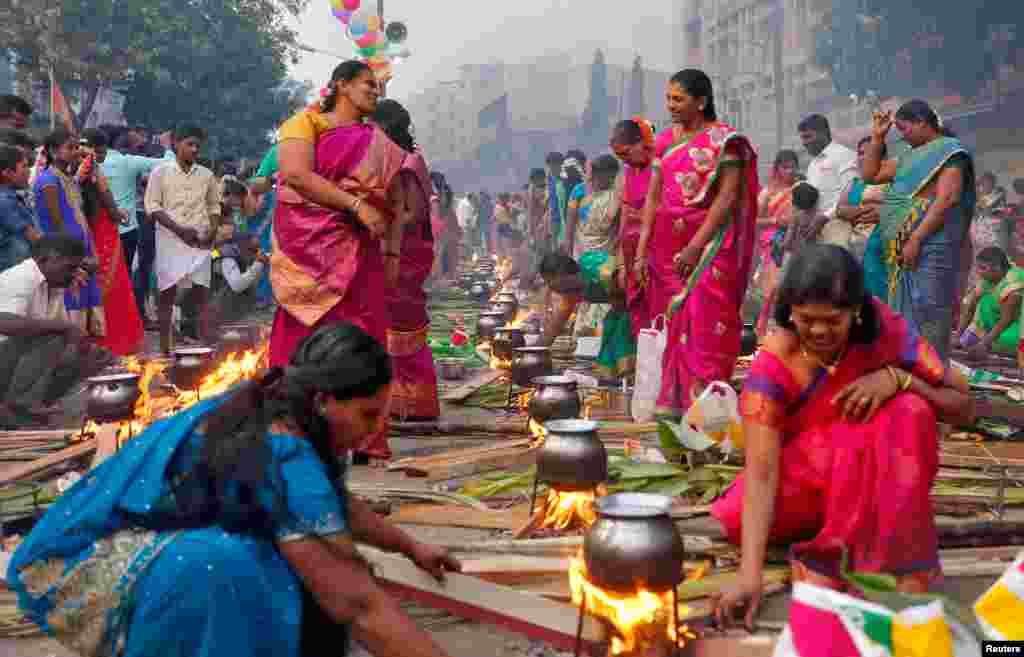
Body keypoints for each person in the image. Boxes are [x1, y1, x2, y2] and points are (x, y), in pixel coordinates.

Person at [8, 321, 461, 657]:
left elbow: (327, 504)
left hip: (122, 553)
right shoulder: (284, 449)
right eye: (367, 415)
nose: (375, 431)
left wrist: (409, 546)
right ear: (324, 401)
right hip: (91, 572)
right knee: (241, 566)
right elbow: (357, 604)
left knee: (271, 564)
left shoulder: (279, 407)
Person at [710, 246, 973, 629]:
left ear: (857, 311)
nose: (818, 332)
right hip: (807, 482)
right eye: (806, 320)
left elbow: (962, 405)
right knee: (737, 517)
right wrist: (749, 576)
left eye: (833, 320)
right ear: (790, 313)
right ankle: (848, 533)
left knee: (908, 411)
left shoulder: (887, 332)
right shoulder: (775, 362)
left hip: (871, 475)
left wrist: (899, 380)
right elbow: (762, 470)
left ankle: (881, 563)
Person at [271, 60, 416, 463]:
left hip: (363, 254)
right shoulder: (304, 124)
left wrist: (391, 254)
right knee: (304, 336)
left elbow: (397, 201)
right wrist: (355, 205)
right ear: (341, 86)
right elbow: (295, 176)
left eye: (377, 86)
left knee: (364, 339)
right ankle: (291, 427)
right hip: (310, 254)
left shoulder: (379, 142)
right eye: (368, 84)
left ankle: (363, 437)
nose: (375, 91)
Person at [633, 69, 760, 418]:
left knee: (707, 323)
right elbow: (653, 199)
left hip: (711, 246)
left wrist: (695, 245)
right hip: (667, 252)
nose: (671, 105)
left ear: (701, 101)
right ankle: (675, 405)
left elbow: (728, 197)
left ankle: (707, 409)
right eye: (668, 98)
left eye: (678, 99)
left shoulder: (725, 141)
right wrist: (641, 253)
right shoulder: (663, 143)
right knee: (676, 325)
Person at [864, 99, 976, 362]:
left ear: (922, 122)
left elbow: (947, 199)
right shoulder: (907, 156)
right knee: (903, 313)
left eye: (904, 129)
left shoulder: (951, 152)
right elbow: (871, 174)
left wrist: (915, 238)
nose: (901, 136)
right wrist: (877, 137)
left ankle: (933, 374)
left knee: (929, 309)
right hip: (901, 250)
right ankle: (909, 369)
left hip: (930, 244)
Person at [373, 98, 440, 424]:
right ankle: (397, 400)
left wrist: (380, 221)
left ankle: (416, 402)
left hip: (406, 251)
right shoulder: (389, 160)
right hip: (390, 245)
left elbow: (415, 212)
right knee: (388, 322)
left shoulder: (409, 163)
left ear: (387, 127)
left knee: (405, 321)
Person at [0, 236, 112, 427]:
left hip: (10, 360)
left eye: (76, 268)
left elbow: (66, 341)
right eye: (69, 268)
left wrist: (85, 353)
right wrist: (64, 328)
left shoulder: (53, 285)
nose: (73, 274)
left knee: (87, 355)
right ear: (45, 260)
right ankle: (21, 406)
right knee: (55, 334)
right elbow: (3, 322)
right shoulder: (21, 277)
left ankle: (24, 409)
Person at [144, 124, 222, 354]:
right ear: (175, 144)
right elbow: (152, 206)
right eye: (189, 144)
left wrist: (213, 229)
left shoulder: (207, 175)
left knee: (202, 292)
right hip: (170, 239)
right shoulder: (160, 172)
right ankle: (165, 349)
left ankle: (204, 345)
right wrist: (179, 230)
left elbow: (213, 205)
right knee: (167, 294)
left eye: (198, 145)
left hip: (200, 240)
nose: (195, 149)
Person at [34, 129, 106, 339]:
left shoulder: (69, 179)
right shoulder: (48, 181)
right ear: (54, 151)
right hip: (65, 256)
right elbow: (57, 224)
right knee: (69, 308)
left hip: (81, 250)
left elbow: (81, 217)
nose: (76, 152)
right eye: (70, 148)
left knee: (85, 307)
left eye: (77, 148)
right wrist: (76, 259)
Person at [79, 129, 145, 356]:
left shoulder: (71, 170)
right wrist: (118, 214)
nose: (105, 154)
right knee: (112, 284)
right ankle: (114, 340)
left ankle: (96, 339)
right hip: (101, 231)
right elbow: (105, 198)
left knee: (94, 286)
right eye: (104, 149)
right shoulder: (91, 167)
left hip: (87, 229)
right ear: (97, 149)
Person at [101, 130, 169, 313]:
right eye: (137, 144)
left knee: (108, 275)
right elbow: (167, 163)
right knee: (133, 271)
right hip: (130, 225)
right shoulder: (128, 162)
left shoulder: (90, 164)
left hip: (101, 228)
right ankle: (132, 314)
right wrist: (166, 145)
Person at [539, 253, 636, 379]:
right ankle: (617, 383)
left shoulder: (590, 263)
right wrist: (533, 351)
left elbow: (625, 277)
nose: (550, 287)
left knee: (620, 332)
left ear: (560, 273)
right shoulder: (570, 292)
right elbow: (554, 327)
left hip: (637, 303)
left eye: (549, 281)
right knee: (611, 331)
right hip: (620, 310)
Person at [610, 118, 657, 335]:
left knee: (659, 310)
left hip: (657, 249)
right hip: (632, 251)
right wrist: (621, 263)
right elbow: (625, 218)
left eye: (627, 153)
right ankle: (644, 363)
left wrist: (641, 256)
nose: (626, 161)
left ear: (641, 142)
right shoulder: (630, 171)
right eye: (621, 158)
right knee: (638, 311)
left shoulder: (660, 165)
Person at [836, 136, 889, 299]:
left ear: (882, 156)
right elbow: (840, 209)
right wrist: (861, 211)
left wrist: (882, 211)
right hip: (856, 249)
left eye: (867, 153)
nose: (862, 157)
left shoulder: (893, 180)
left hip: (884, 249)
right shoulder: (854, 183)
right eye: (859, 153)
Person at [753, 150, 799, 336]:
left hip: (796, 244)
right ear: (776, 169)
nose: (789, 171)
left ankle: (790, 333)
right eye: (785, 167)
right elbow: (753, 221)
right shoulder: (768, 193)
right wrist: (775, 222)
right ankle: (765, 333)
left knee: (792, 287)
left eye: (793, 166)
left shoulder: (801, 189)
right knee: (772, 289)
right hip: (773, 246)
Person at [958, 246, 1022, 359]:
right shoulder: (987, 280)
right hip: (998, 326)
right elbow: (970, 307)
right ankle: (983, 341)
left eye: (982, 268)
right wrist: (959, 336)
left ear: (997, 268)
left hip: (1016, 326)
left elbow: (1006, 320)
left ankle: (988, 344)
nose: (978, 272)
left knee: (1006, 341)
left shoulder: (1014, 283)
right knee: (980, 299)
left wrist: (984, 344)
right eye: (977, 268)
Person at [798, 114, 858, 218]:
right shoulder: (812, 164)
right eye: (802, 138)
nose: (804, 143)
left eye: (807, 137)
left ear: (823, 133)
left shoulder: (844, 155)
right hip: (816, 228)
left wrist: (825, 217)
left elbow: (852, 195)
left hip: (839, 225)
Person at [209, 235, 269, 326]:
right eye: (254, 250)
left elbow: (251, 284)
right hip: (225, 312)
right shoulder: (229, 257)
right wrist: (258, 264)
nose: (257, 253)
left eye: (257, 249)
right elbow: (237, 285)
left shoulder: (245, 258)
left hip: (241, 310)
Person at [0, 145, 40, 273]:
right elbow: (34, 237)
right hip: (13, 271)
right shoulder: (4, 201)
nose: (29, 171)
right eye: (24, 166)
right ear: (7, 173)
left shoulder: (14, 196)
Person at [970, 172, 1009, 288]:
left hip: (992, 232)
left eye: (987, 182)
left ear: (992, 183)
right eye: (982, 183)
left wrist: (979, 206)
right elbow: (975, 211)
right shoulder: (978, 196)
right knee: (978, 257)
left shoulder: (998, 195)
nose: (984, 186)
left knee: (993, 256)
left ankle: (996, 282)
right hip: (979, 230)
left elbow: (990, 209)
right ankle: (978, 284)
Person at [545, 152, 566, 248]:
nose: (553, 168)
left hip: (566, 218)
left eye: (556, 164)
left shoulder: (566, 180)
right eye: (550, 165)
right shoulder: (548, 180)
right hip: (554, 219)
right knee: (555, 247)